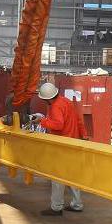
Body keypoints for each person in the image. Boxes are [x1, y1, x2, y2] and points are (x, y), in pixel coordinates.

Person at [32, 82, 87, 217]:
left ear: (47, 99)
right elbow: (78, 120)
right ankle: (77, 204)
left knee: (57, 177)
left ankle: (56, 207)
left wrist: (41, 121)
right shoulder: (66, 101)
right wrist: (84, 136)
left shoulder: (55, 107)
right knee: (72, 175)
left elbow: (58, 125)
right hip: (73, 143)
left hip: (62, 146)